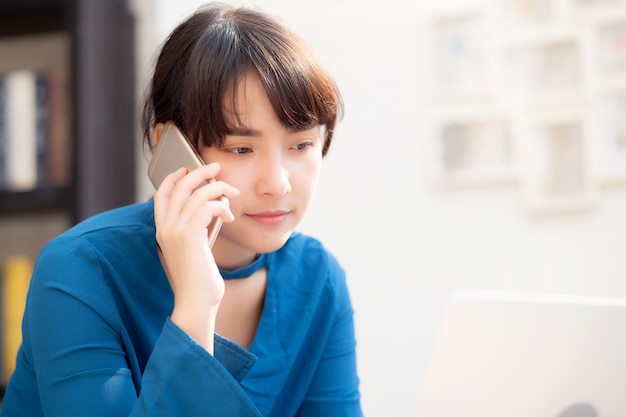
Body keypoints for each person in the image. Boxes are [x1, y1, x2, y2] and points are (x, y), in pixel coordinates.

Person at [0, 3, 362, 416]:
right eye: (241, 149)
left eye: (301, 145)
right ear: (172, 148)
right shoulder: (79, 270)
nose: (277, 183)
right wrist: (195, 306)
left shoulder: (317, 279)